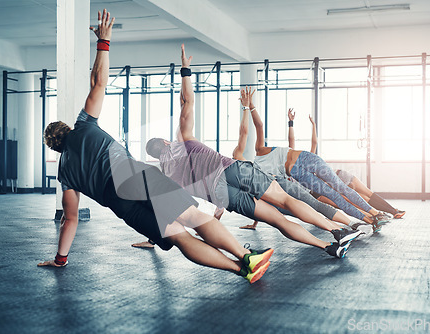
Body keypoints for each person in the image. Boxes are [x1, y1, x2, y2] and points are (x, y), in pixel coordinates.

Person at [37, 9, 273, 284]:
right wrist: (104, 42)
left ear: (55, 149)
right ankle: (245, 255)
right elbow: (98, 83)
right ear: (66, 128)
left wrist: (60, 259)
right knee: (193, 217)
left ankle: (240, 270)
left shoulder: (64, 173)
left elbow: (71, 219)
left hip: (121, 206)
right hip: (137, 177)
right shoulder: (84, 125)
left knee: (181, 238)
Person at [145, 46, 361, 259]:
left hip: (222, 196)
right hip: (231, 171)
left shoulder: (168, 175)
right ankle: (337, 232)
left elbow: (172, 208)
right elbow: (188, 103)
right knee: (285, 201)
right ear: (165, 141)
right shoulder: (181, 141)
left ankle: (327, 246)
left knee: (278, 220)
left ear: (156, 156)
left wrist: (153, 238)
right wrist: (185, 70)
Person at [232, 87, 373, 236]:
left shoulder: (255, 155)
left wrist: (249, 107)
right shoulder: (244, 172)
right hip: (275, 191)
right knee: (309, 212)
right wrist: (254, 222)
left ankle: (354, 224)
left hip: (280, 186)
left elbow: (252, 129)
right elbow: (258, 199)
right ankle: (344, 229)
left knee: (315, 206)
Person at [288, 109, 405, 219]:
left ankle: (390, 211)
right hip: (332, 185)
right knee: (361, 198)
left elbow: (309, 143)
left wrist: (307, 125)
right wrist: (293, 123)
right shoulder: (293, 172)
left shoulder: (306, 162)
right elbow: (296, 144)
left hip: (338, 177)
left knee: (366, 194)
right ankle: (383, 213)